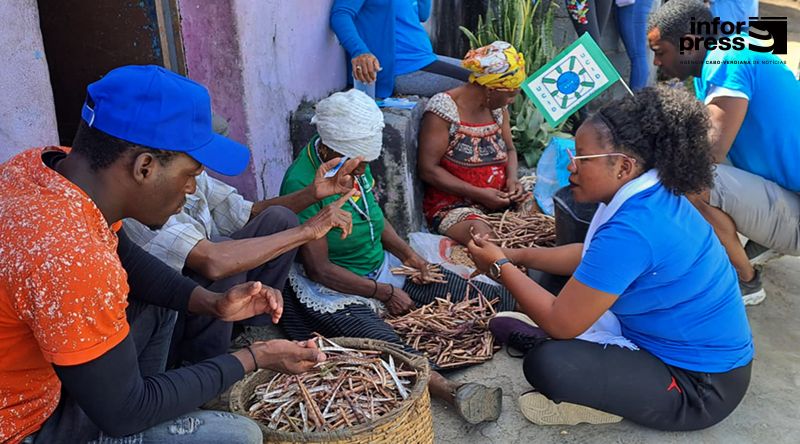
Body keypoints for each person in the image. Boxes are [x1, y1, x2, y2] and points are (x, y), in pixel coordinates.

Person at [0, 65, 327, 444]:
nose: (191, 189)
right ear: (144, 167)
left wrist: (212, 303)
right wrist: (255, 357)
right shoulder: (71, 257)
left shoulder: (42, 169)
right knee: (239, 435)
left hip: (49, 373)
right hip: (25, 427)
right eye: (190, 174)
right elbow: (124, 413)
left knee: (165, 301)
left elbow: (128, 258)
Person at [468, 86, 753, 430]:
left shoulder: (636, 227)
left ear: (623, 166)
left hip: (700, 385)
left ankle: (597, 395)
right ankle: (594, 358)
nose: (569, 166)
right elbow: (591, 259)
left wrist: (499, 266)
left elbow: (562, 322)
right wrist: (517, 255)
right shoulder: (647, 192)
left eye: (581, 157)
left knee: (548, 365)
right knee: (545, 278)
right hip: (658, 336)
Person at [279, 89, 515, 425]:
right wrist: (383, 293)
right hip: (336, 290)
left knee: (491, 297)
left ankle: (521, 332)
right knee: (384, 342)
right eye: (357, 161)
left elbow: (375, 216)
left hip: (384, 267)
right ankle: (451, 390)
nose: (363, 169)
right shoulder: (301, 183)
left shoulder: (354, 164)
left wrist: (410, 256)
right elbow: (320, 270)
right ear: (331, 148)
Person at [123, 114, 360, 367]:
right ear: (148, 166)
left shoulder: (192, 176)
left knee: (279, 219)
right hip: (174, 313)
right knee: (228, 267)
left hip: (210, 295)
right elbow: (215, 262)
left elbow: (246, 213)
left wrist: (312, 194)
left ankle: (252, 329)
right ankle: (206, 366)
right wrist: (307, 231)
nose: (194, 183)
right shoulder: (141, 207)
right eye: (194, 165)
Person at [647, 0, 800, 305]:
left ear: (689, 44)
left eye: (660, 51)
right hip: (789, 189)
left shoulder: (728, 58)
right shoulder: (727, 52)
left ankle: (745, 281)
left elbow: (710, 151)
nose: (657, 63)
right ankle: (760, 239)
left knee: (689, 181)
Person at [418, 41, 529, 245]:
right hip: (455, 206)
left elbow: (510, 150)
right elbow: (428, 170)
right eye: (511, 94)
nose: (512, 100)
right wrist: (479, 194)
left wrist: (512, 180)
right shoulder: (444, 110)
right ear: (491, 89)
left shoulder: (496, 108)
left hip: (498, 198)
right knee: (485, 239)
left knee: (546, 198)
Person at [330, 0, 470, 98]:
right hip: (402, 67)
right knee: (482, 82)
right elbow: (340, 14)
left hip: (425, 59)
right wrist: (359, 51)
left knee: (486, 73)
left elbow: (422, 14)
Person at [615, 0, 656, 91]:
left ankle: (636, 101)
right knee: (638, 56)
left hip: (633, 4)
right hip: (635, 4)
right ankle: (638, 100)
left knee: (638, 56)